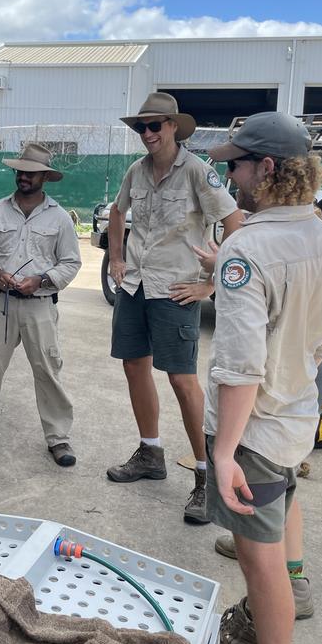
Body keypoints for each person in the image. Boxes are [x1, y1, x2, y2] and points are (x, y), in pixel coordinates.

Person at [203, 111, 322, 644]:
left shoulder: (246, 248)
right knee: (275, 533)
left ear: (266, 168)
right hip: (294, 416)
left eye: (236, 167)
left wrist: (222, 454)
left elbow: (242, 367)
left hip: (254, 434)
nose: (230, 178)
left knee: (260, 565)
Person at [106, 92, 243, 525]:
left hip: (176, 290)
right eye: (140, 127)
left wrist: (211, 283)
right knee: (134, 367)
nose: (147, 134)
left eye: (155, 126)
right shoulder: (136, 171)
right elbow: (116, 212)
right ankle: (150, 453)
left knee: (183, 382)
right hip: (135, 286)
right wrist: (115, 256)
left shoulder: (200, 173)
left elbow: (235, 223)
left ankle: (206, 478)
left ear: (172, 127)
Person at [0, 143, 83, 465]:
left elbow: (71, 262)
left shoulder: (60, 218)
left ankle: (59, 438)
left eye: (31, 172)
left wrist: (41, 280)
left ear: (45, 177)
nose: (24, 176)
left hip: (39, 306)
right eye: (21, 171)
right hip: (0, 303)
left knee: (48, 370)